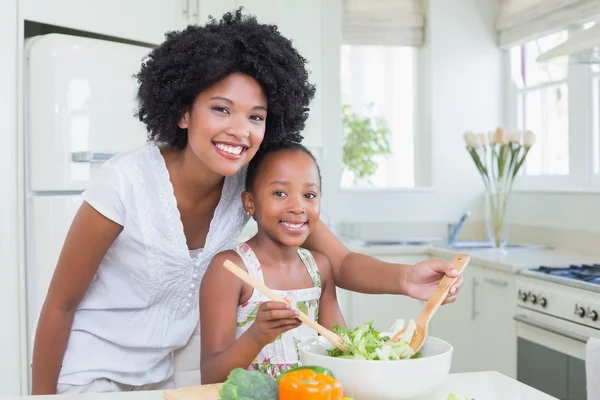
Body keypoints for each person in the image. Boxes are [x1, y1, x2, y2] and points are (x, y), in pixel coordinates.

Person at [31, 8, 463, 395]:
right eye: (221, 109)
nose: (241, 130)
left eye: (255, 116)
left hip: (158, 377)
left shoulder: (248, 187)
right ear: (183, 113)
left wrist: (406, 278)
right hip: (87, 375)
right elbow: (60, 304)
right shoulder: (124, 182)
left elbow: (342, 262)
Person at [200, 142, 345, 384]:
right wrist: (257, 336)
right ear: (250, 203)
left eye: (309, 195)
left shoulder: (320, 268)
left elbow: (342, 351)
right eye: (280, 193)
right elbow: (211, 376)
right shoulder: (231, 269)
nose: (297, 207)